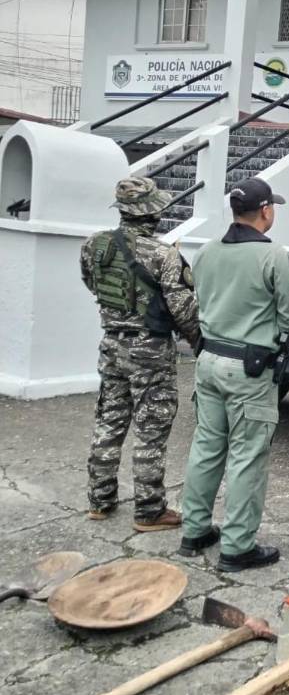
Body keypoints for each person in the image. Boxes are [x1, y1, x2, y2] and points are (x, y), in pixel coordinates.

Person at [178, 177, 289, 572]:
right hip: (249, 369)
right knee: (247, 455)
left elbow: (199, 300)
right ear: (265, 210)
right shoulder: (274, 257)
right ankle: (236, 546)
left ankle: (195, 530)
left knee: (207, 446)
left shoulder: (207, 252)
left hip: (209, 362)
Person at [81, 176, 199, 531]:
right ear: (153, 212)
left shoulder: (94, 245)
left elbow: (90, 282)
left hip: (112, 343)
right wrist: (198, 342)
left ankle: (99, 500)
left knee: (109, 420)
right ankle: (149, 510)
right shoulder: (165, 254)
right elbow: (184, 310)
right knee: (151, 428)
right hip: (150, 348)